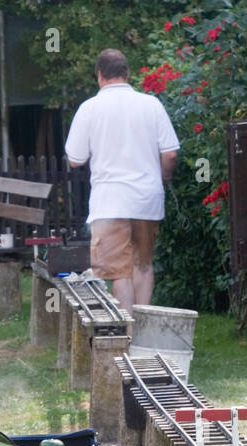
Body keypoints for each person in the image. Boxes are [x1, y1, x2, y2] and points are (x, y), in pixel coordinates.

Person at [64, 49, 180, 310]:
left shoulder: (89, 108)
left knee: (120, 271)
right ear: (127, 74)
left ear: (100, 76)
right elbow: (170, 154)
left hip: (110, 203)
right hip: (147, 200)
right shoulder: (152, 105)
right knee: (143, 265)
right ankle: (142, 333)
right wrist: (162, 178)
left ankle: (124, 336)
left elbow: (75, 159)